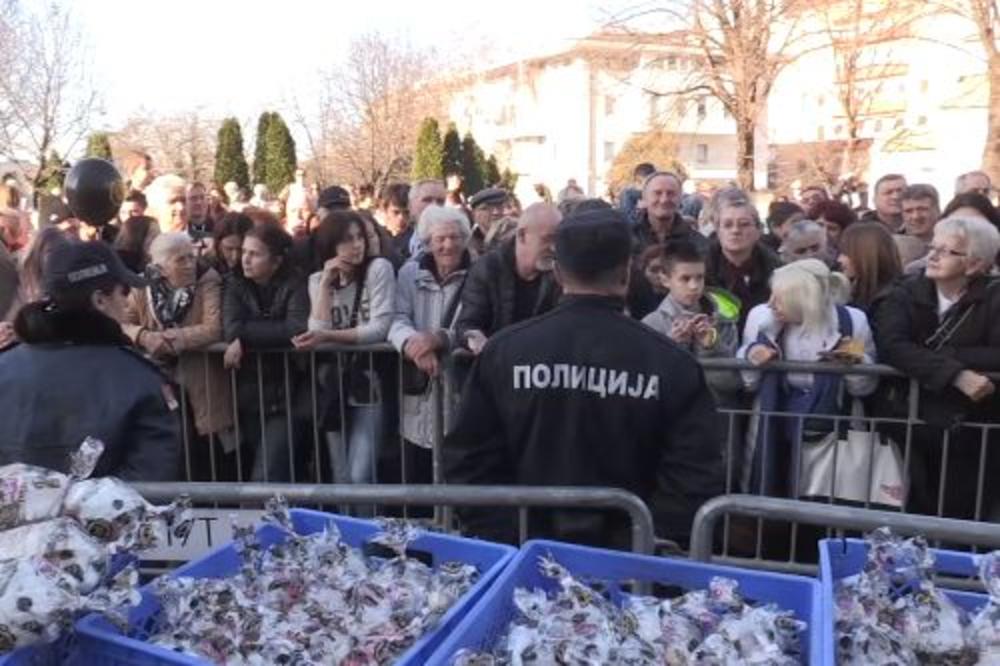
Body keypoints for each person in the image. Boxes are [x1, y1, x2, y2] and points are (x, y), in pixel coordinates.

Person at [443, 207, 724, 549]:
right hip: (625, 571)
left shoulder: (505, 351)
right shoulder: (671, 362)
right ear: (626, 273)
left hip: (527, 560)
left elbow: (467, 462)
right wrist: (641, 545)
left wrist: (509, 539)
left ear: (558, 274)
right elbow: (695, 477)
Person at [0, 241, 179, 479]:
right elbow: (152, 479)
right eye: (123, 291)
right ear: (100, 300)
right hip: (105, 515)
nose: (127, 302)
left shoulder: (6, 366)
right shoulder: (139, 379)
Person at [871, 217, 1000, 519]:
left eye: (947, 251)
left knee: (964, 517)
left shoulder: (994, 297)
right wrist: (955, 374)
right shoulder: (905, 293)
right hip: (910, 424)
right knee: (911, 515)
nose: (933, 255)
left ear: (975, 264)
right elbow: (892, 346)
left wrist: (944, 354)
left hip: (972, 432)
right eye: (933, 247)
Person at [738, 259, 877, 498]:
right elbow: (749, 382)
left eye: (780, 297)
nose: (771, 303)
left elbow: (863, 389)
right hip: (774, 425)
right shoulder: (761, 317)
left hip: (834, 430)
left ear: (804, 299)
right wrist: (751, 355)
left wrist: (853, 364)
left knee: (832, 500)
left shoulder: (852, 321)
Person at [292, 211, 396, 485]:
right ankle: (348, 528)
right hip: (333, 385)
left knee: (360, 473)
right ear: (330, 246)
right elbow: (316, 330)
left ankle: (369, 528)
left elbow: (379, 329)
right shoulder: (317, 280)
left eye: (360, 237)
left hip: (368, 383)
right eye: (347, 240)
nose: (357, 245)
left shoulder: (379, 269)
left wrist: (329, 335)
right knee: (341, 477)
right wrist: (326, 283)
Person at [121, 233, 234, 480]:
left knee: (209, 462)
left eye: (191, 257)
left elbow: (213, 327)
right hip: (159, 385)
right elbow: (121, 323)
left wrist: (173, 339)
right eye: (180, 260)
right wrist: (144, 336)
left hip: (200, 383)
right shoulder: (143, 286)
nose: (189, 265)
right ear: (160, 267)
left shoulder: (208, 280)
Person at [388, 205, 472, 482]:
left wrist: (438, 339)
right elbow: (396, 317)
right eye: (440, 239)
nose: (448, 245)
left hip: (461, 388)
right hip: (419, 389)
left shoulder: (479, 272)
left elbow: (479, 322)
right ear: (427, 242)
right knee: (418, 474)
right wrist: (413, 345)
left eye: (455, 237)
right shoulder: (409, 273)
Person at [223, 223, 309, 482]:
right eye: (244, 252)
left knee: (265, 475)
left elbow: (295, 327)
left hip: (288, 393)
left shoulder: (295, 283)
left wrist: (244, 339)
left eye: (255, 254)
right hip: (249, 393)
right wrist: (239, 336)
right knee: (274, 473)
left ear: (276, 261)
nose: (245, 259)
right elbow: (231, 325)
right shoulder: (235, 282)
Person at [455, 203, 562, 355]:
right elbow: (468, 323)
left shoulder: (560, 272)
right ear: (522, 235)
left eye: (558, 240)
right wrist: (474, 339)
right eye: (548, 239)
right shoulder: (487, 269)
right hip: (497, 365)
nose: (554, 248)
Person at [641, 240, 740, 397]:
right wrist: (671, 346)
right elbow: (645, 383)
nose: (694, 286)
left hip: (713, 413)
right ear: (665, 280)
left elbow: (731, 384)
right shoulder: (651, 324)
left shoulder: (724, 321)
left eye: (699, 278)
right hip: (669, 415)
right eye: (685, 279)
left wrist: (711, 347)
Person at [704, 193, 783, 331]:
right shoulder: (699, 269)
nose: (735, 230)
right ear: (718, 231)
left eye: (744, 224)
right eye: (727, 225)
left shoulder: (777, 271)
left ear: (758, 230)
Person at [837, 222, 903, 313]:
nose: (839, 259)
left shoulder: (891, 304)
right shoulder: (855, 294)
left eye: (846, 253)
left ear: (865, 255)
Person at [896, 184, 940, 267]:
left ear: (937, 209)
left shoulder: (952, 244)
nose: (916, 216)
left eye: (922, 209)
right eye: (908, 211)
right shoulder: (892, 245)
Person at [209, 212, 253, 278]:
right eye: (229, 249)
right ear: (218, 245)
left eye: (241, 249)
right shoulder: (205, 268)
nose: (235, 257)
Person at [467, 187, 508, 257]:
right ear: (474, 215)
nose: (496, 212)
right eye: (486, 208)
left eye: (500, 206)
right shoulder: (467, 247)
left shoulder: (514, 239)